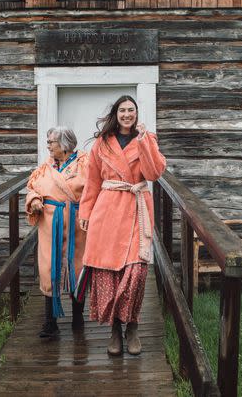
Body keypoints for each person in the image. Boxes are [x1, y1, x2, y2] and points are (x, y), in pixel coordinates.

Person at [78, 95, 166, 356]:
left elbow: (154, 174)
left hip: (136, 208)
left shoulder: (146, 139)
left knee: (137, 272)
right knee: (109, 274)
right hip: (107, 211)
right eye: (123, 110)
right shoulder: (101, 143)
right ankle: (115, 329)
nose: (127, 114)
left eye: (132, 110)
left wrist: (144, 142)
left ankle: (133, 326)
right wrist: (86, 211)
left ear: (137, 114)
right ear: (116, 114)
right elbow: (92, 180)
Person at [25, 126, 88, 338]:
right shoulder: (46, 167)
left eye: (51, 142)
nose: (48, 145)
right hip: (50, 223)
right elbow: (32, 187)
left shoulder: (84, 164)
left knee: (77, 267)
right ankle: (50, 323)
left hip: (76, 223)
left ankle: (78, 318)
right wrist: (34, 200)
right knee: (48, 267)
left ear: (64, 144)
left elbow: (93, 190)